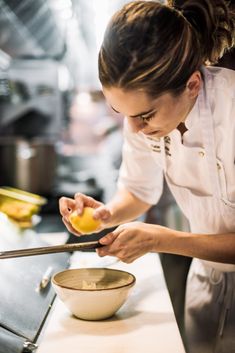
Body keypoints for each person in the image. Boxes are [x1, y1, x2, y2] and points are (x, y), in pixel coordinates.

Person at [59, 1, 235, 352]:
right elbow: (139, 191)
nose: (135, 128)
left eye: (146, 116)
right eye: (119, 111)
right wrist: (104, 215)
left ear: (193, 85)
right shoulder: (138, 119)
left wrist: (160, 240)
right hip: (205, 280)